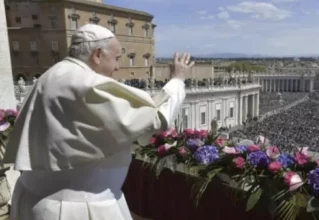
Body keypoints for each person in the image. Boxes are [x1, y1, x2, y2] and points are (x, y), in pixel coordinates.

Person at [4, 24, 194, 220]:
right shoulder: (86, 83)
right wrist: (177, 81)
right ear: (98, 54)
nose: (118, 67)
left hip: (34, 199)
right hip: (75, 209)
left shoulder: (51, 75)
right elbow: (153, 120)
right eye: (117, 59)